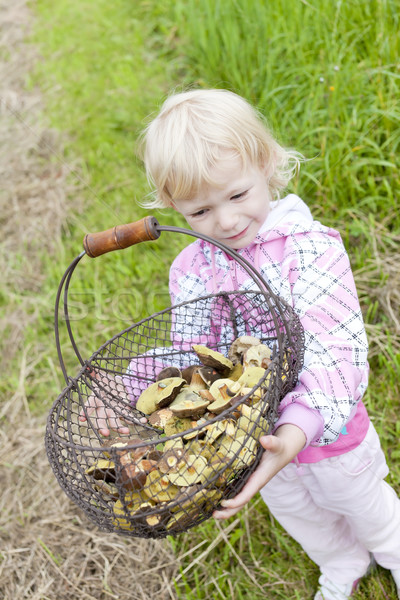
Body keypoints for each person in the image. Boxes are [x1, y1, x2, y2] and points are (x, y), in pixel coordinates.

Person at [81, 88, 400, 600]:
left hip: (326, 433)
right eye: (200, 212)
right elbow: (192, 357)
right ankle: (341, 561)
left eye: (237, 196)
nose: (226, 222)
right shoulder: (191, 267)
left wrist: (296, 430)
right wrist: (129, 382)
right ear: (171, 206)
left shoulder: (309, 249)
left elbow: (337, 349)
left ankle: (390, 549)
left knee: (364, 504)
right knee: (301, 515)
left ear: (267, 165)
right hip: (251, 443)